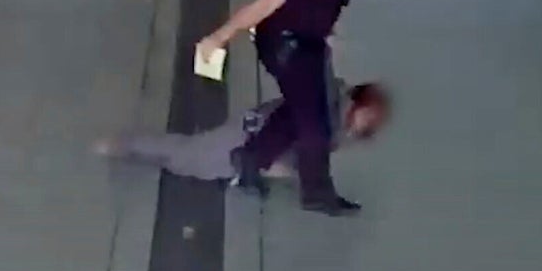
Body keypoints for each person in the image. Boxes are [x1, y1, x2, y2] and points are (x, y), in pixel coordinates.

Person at [197, 0, 383, 216]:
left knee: (299, 112)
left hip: (309, 44)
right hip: (285, 45)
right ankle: (317, 194)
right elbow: (268, 2)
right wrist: (221, 36)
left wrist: (327, 34)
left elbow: (325, 2)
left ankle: (250, 161)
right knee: (315, 124)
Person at [92, 77, 390, 182]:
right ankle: (126, 143)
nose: (365, 124)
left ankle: (133, 146)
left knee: (198, 162)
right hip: (251, 136)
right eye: (367, 115)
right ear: (356, 103)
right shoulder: (329, 111)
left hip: (257, 143)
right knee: (189, 157)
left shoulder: (339, 125)